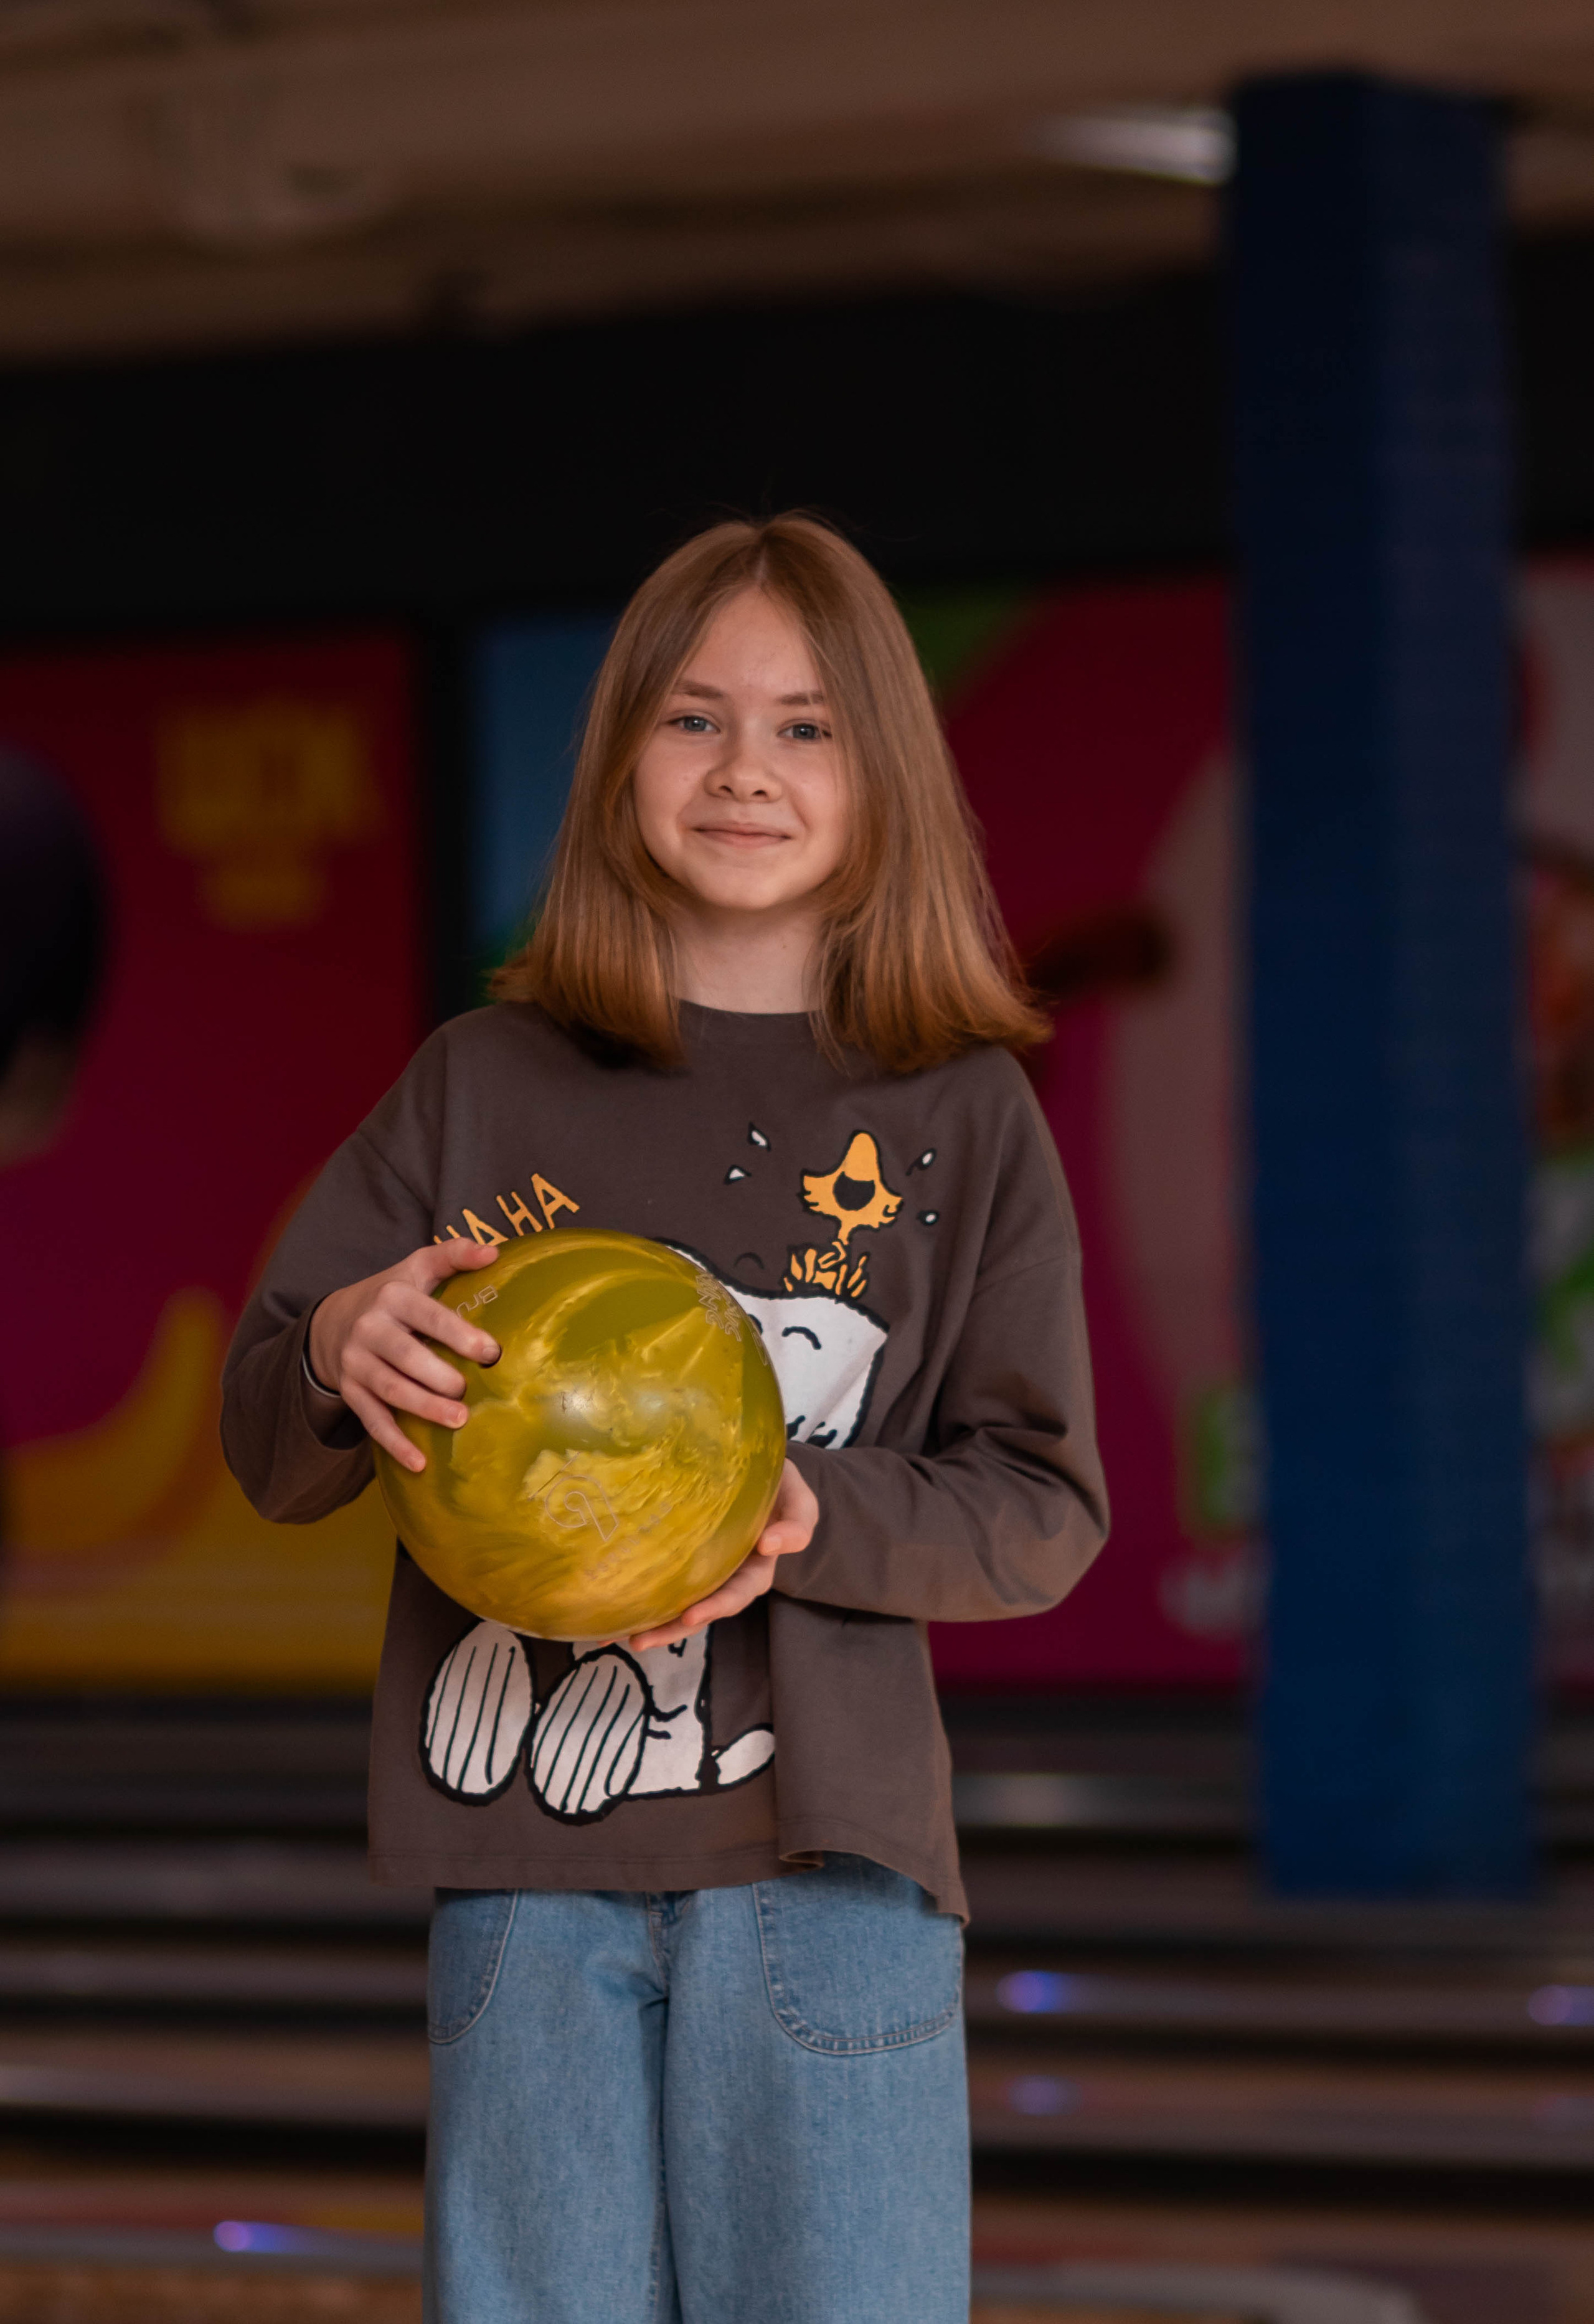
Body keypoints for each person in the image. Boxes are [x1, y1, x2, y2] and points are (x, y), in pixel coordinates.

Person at [220, 514, 1108, 2324]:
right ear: (621, 754)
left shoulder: (960, 1114)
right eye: (694, 718)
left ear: (884, 775)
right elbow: (268, 1425)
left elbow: (1039, 1504)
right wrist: (339, 1352)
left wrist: (804, 1510)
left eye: (806, 726)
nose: (745, 770)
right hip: (523, 1871)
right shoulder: (480, 1084)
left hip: (832, 1874)